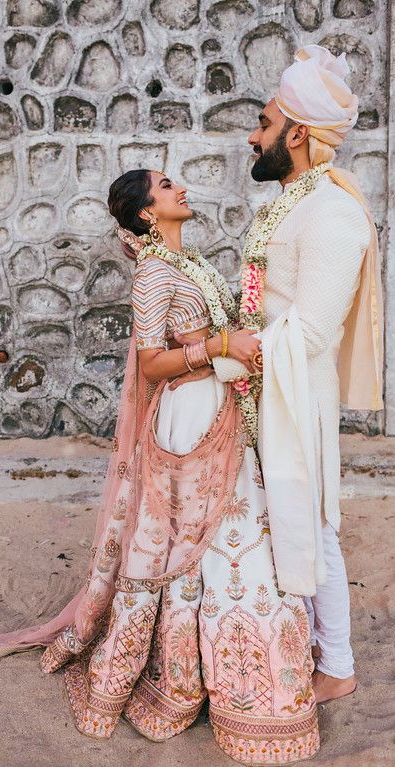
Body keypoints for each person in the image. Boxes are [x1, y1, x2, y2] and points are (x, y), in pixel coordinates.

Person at [0, 169, 320, 763]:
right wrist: (219, 347)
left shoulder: (191, 263)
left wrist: (238, 345)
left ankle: (238, 677)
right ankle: (186, 675)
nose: (179, 187)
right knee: (194, 539)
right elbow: (152, 362)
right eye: (164, 185)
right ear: (147, 214)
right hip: (187, 411)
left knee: (231, 537)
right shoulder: (154, 273)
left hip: (219, 402)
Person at [200, 45, 384, 706]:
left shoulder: (333, 216)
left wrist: (218, 351)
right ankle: (295, 642)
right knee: (273, 523)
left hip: (290, 393)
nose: (253, 134)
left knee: (314, 525)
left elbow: (307, 333)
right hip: (256, 384)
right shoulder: (288, 203)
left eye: (264, 121)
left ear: (298, 135)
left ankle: (337, 663)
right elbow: (260, 298)